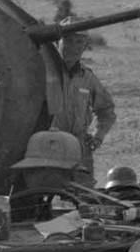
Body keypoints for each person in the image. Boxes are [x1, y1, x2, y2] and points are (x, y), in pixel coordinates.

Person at [49, 28, 116, 187]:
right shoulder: (44, 73)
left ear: (85, 46)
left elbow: (106, 110)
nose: (73, 47)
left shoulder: (88, 78)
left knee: (84, 195)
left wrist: (98, 136)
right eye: (68, 41)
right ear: (57, 43)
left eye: (79, 42)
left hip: (79, 148)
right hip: (48, 146)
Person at [7, 129, 82, 222]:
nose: (71, 181)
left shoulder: (41, 200)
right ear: (42, 169)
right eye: (66, 174)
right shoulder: (8, 204)